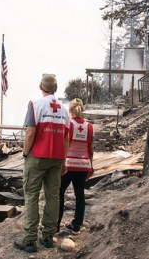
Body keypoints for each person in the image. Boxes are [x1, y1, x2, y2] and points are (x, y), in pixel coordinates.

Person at [13, 73, 70, 253]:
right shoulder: (64, 108)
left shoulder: (35, 105)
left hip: (37, 156)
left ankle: (29, 240)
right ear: (56, 88)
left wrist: (25, 152)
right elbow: (66, 137)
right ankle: (47, 237)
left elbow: (30, 132)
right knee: (53, 196)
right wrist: (64, 160)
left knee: (31, 196)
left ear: (40, 86)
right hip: (57, 158)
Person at [57, 98, 93, 235]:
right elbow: (90, 148)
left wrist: (61, 163)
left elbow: (63, 144)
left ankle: (55, 225)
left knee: (59, 193)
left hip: (69, 164)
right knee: (80, 194)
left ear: (70, 110)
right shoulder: (89, 126)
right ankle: (76, 225)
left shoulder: (68, 124)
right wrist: (91, 166)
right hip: (83, 165)